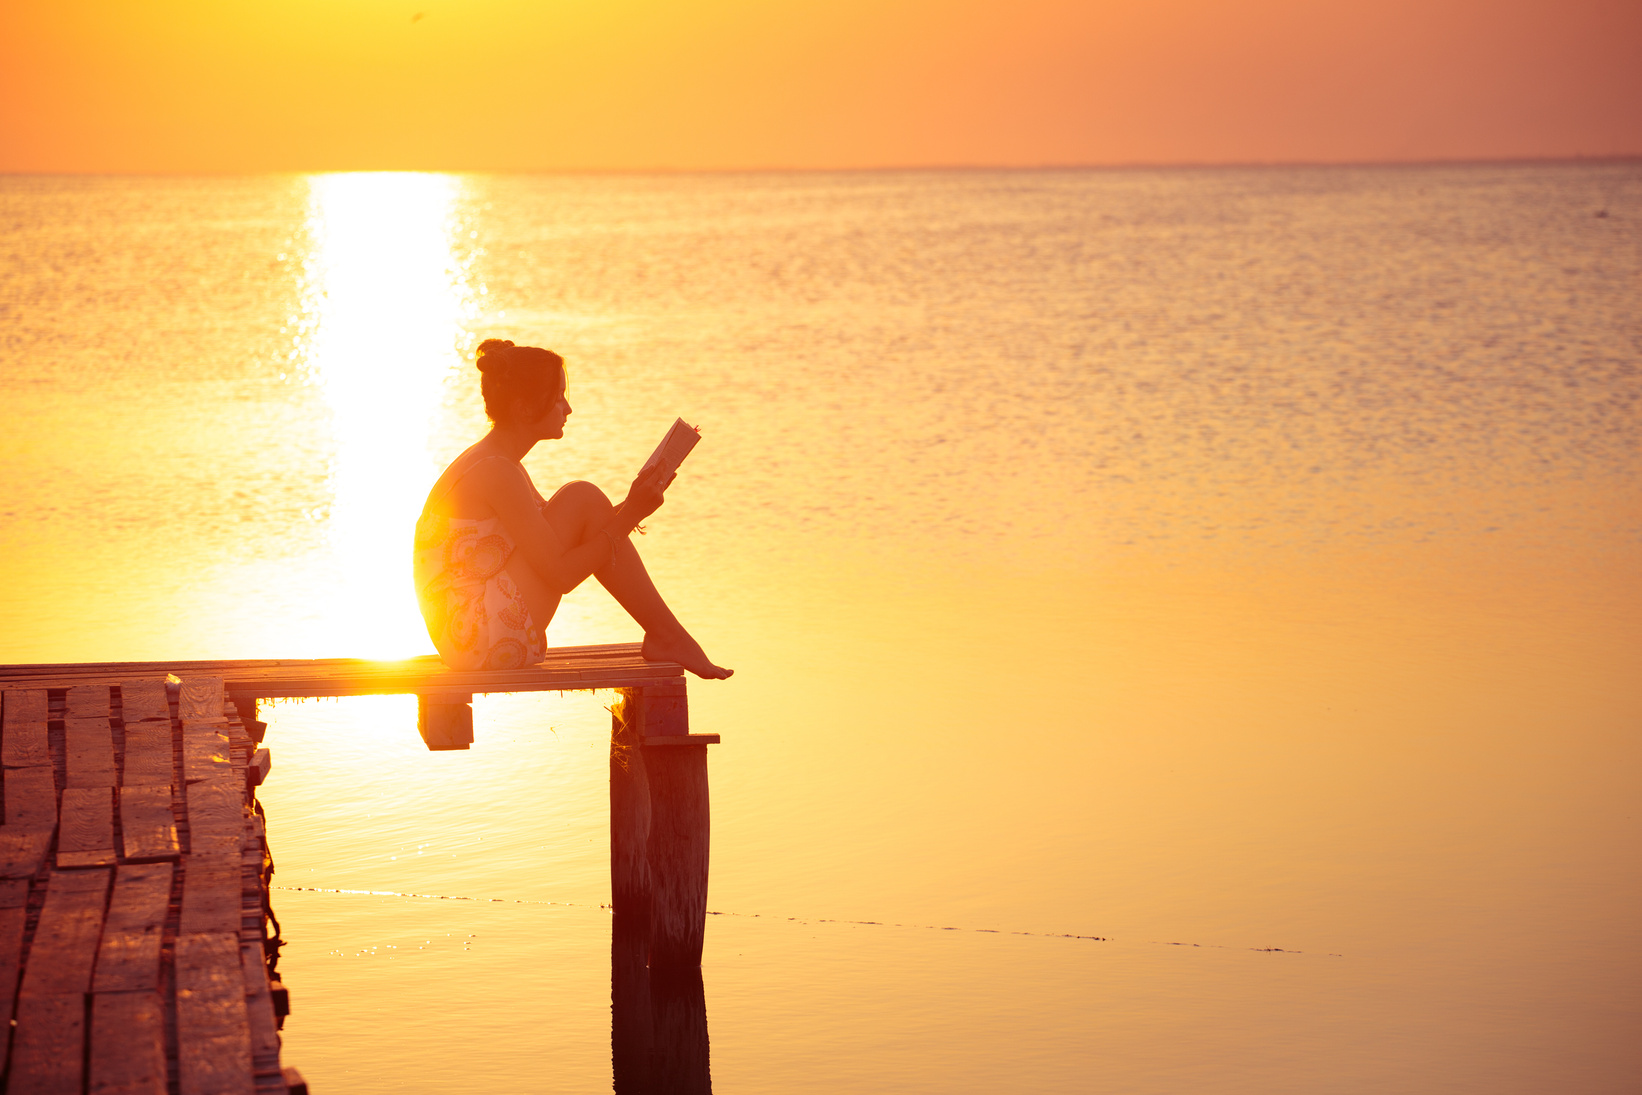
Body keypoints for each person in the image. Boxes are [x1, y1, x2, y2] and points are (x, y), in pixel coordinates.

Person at [413, 339, 732, 679]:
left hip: (471, 634)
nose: (567, 409)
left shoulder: (500, 463)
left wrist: (635, 504)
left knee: (587, 501)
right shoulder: (496, 471)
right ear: (523, 408)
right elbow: (561, 575)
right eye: (559, 397)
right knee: (583, 496)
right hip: (478, 636)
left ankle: (666, 635)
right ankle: (667, 635)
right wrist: (631, 514)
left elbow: (571, 537)